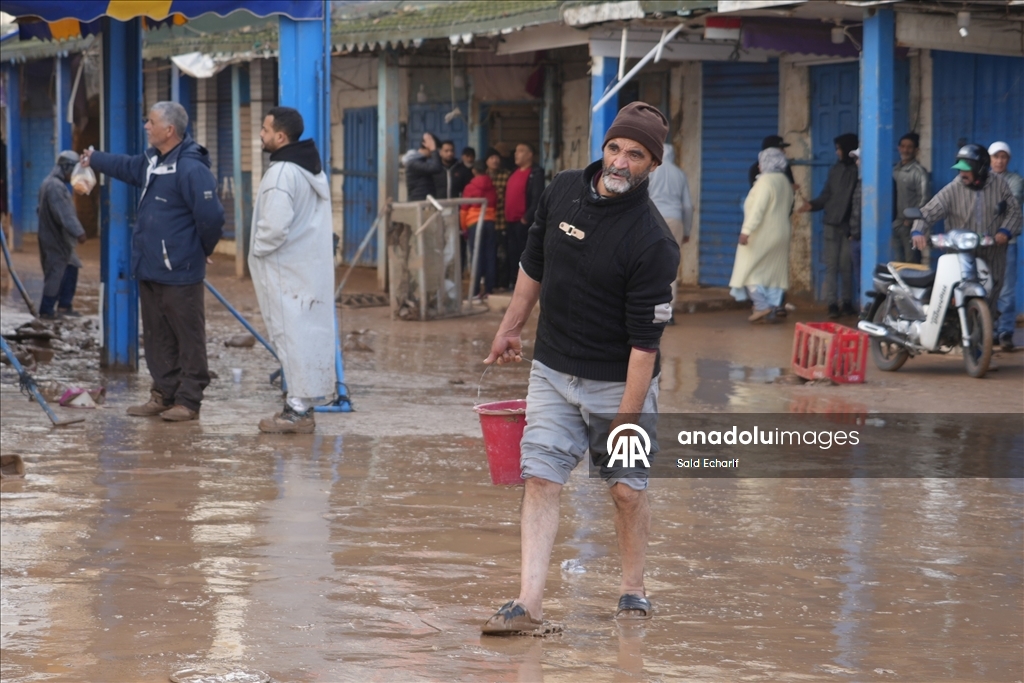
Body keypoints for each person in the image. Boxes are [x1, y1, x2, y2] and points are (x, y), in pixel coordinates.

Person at [480, 102, 679, 634]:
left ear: (652, 166)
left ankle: (633, 588)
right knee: (541, 477)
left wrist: (629, 418)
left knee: (626, 490)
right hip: (551, 370)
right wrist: (511, 326)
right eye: (615, 148)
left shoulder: (654, 242)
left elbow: (645, 345)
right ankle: (528, 602)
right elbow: (534, 262)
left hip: (620, 381)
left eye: (635, 155)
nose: (620, 161)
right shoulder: (563, 189)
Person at [82, 101, 224, 422]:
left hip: (181, 271)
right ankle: (164, 393)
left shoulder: (191, 168)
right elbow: (126, 166)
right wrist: (94, 158)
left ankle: (189, 401)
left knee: (188, 337)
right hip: (148, 267)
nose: (146, 126)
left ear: (169, 130)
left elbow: (212, 216)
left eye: (151, 122)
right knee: (157, 336)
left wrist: (204, 248)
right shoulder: (153, 161)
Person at [248, 107, 336, 433]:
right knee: (307, 338)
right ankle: (303, 405)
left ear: (280, 137)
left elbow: (273, 228)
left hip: (285, 271)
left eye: (265, 129)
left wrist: (257, 252)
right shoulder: (312, 170)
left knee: (290, 338)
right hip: (308, 269)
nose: (260, 134)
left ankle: (296, 412)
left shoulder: (282, 173)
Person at [911, 144, 1022, 331]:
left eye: (966, 169)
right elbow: (928, 212)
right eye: (959, 169)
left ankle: (984, 339)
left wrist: (1005, 232)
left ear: (980, 168)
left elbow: (1014, 213)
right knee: (954, 293)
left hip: (993, 251)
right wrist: (918, 231)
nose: (962, 174)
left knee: (993, 294)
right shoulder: (953, 188)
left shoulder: (1000, 185)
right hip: (960, 256)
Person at [729, 147, 794, 323]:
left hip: (762, 233)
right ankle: (771, 307)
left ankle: (760, 305)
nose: (758, 166)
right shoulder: (784, 181)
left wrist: (746, 231)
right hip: (782, 232)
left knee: (748, 269)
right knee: (773, 272)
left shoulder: (765, 182)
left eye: (761, 162)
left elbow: (758, 209)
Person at [799, 132, 859, 319]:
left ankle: (847, 302)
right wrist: (813, 205)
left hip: (848, 227)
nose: (837, 153)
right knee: (832, 266)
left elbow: (856, 201)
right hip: (831, 225)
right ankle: (832, 303)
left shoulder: (858, 171)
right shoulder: (835, 170)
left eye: (839, 149)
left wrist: (853, 227)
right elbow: (826, 194)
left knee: (846, 267)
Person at [36, 150, 87, 319]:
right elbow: (65, 214)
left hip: (55, 237)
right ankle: (47, 310)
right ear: (66, 168)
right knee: (56, 273)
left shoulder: (49, 184)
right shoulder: (55, 187)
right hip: (55, 238)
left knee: (71, 267)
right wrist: (79, 232)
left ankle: (64, 306)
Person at [648, 142, 694, 323]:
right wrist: (687, 230)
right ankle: (667, 314)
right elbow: (688, 206)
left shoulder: (650, 170)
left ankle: (649, 309)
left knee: (649, 265)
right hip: (675, 221)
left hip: (652, 219)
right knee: (669, 266)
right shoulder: (679, 173)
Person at [988, 141, 1022, 352]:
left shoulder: (1016, 180)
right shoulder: (982, 180)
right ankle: (989, 331)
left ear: (1008, 160)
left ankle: (1006, 332)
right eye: (996, 157)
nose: (999, 161)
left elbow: (1013, 201)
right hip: (985, 243)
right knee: (987, 288)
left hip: (1008, 242)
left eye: (1003, 157)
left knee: (1006, 290)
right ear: (990, 159)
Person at [503, 143, 545, 289]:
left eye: (521, 151)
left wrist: (526, 218)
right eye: (516, 151)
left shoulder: (535, 173)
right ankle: (512, 282)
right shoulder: (513, 172)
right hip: (510, 222)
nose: (516, 154)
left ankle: (524, 286)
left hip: (524, 223)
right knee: (512, 253)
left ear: (530, 155)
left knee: (524, 254)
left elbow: (537, 199)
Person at [460, 160, 498, 297]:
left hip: (474, 223)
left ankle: (475, 291)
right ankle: (489, 289)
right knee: (490, 255)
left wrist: (464, 227)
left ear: (474, 171)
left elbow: (464, 210)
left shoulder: (470, 187)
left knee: (476, 257)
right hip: (490, 222)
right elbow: (495, 204)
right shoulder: (492, 186)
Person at [892, 132, 931, 264]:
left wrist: (911, 220)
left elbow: (924, 199)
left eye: (909, 147)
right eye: (902, 146)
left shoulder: (919, 172)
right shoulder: (894, 170)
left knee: (911, 264)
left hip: (909, 227)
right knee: (896, 264)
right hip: (895, 224)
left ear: (916, 150)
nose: (905, 150)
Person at [486, 148, 512, 289]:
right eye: (491, 158)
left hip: (502, 221)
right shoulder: (482, 177)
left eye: (497, 158)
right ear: (486, 161)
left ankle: (503, 283)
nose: (495, 160)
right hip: (486, 222)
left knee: (503, 255)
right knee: (489, 255)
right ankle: (491, 284)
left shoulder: (507, 175)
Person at [401, 132, 441, 201]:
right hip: (418, 201)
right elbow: (436, 168)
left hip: (424, 201)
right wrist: (433, 149)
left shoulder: (421, 161)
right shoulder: (413, 162)